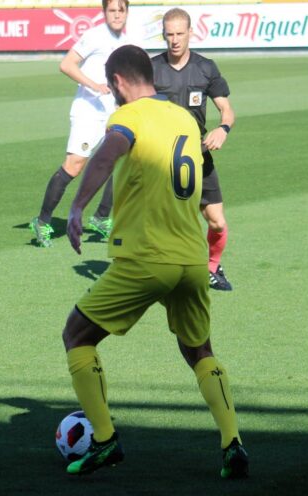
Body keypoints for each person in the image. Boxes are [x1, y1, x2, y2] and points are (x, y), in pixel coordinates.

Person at [61, 44, 248, 478]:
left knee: (77, 335)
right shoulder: (183, 117)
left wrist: (77, 207)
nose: (112, 94)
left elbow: (108, 152)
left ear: (120, 82)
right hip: (191, 259)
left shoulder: (129, 116)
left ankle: (105, 441)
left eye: (111, 87)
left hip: (146, 256)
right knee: (199, 350)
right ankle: (232, 442)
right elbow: (200, 169)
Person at [29, 0, 130, 247]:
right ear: (104, 12)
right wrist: (94, 85)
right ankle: (42, 222)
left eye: (121, 10)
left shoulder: (129, 40)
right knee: (73, 166)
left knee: (124, 163)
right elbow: (66, 64)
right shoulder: (94, 35)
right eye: (112, 10)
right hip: (88, 112)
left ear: (127, 12)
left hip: (114, 113)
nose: (116, 15)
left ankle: (101, 217)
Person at [151, 8, 236, 291]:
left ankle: (212, 267)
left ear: (190, 33)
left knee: (217, 222)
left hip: (199, 155)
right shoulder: (151, 69)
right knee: (168, 224)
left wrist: (222, 129)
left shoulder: (205, 67)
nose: (174, 40)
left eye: (179, 34)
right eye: (169, 34)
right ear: (163, 34)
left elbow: (226, 110)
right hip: (163, 159)